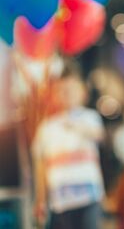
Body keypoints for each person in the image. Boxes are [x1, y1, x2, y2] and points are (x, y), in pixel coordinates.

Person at [33, 62, 105, 229]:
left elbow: (99, 135)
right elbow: (40, 166)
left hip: (89, 197)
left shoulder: (90, 118)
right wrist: (41, 200)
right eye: (63, 90)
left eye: (72, 89)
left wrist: (76, 125)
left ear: (83, 93)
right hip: (61, 200)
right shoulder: (47, 127)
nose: (68, 94)